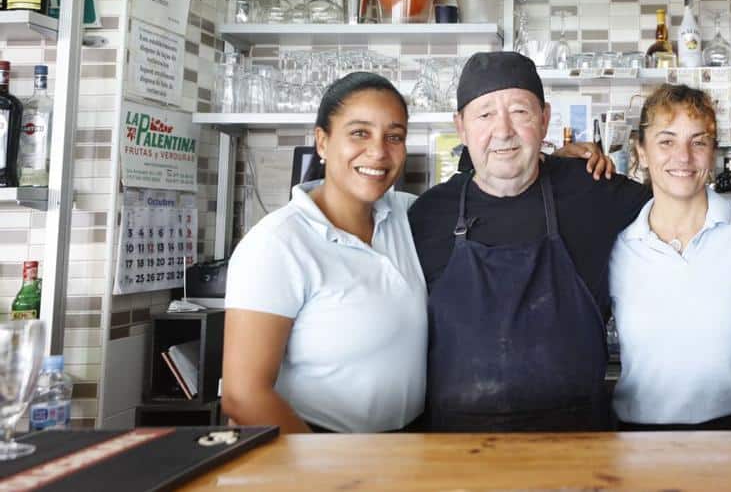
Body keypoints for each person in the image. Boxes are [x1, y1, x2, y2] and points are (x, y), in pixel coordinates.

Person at [407, 51, 653, 432]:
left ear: (544, 119)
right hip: (455, 455)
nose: (503, 131)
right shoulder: (424, 216)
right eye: (485, 115)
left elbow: (679, 218)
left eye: (520, 112)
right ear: (461, 126)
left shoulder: (593, 191)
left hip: (577, 447)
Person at [222, 72, 426, 433]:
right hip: (319, 449)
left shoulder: (408, 217)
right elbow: (243, 395)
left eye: (394, 136)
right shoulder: (278, 243)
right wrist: (322, 472)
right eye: (359, 133)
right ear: (322, 141)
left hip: (406, 449)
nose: (378, 151)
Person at [609, 84, 731, 429]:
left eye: (698, 141)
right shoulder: (617, 242)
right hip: (640, 444)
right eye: (666, 141)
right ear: (642, 152)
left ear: (713, 153)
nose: (684, 156)